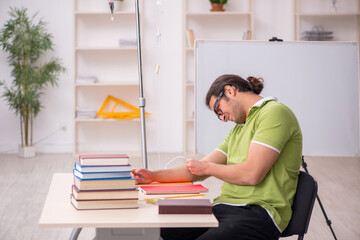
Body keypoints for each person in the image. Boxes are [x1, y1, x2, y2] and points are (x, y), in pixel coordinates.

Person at [131, 74, 303, 240]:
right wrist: (153, 176)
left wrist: (207, 168)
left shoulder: (274, 113)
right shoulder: (239, 129)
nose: (222, 118)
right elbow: (195, 171)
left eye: (218, 109)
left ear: (230, 91)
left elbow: (252, 174)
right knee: (162, 230)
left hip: (259, 212)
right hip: (224, 208)